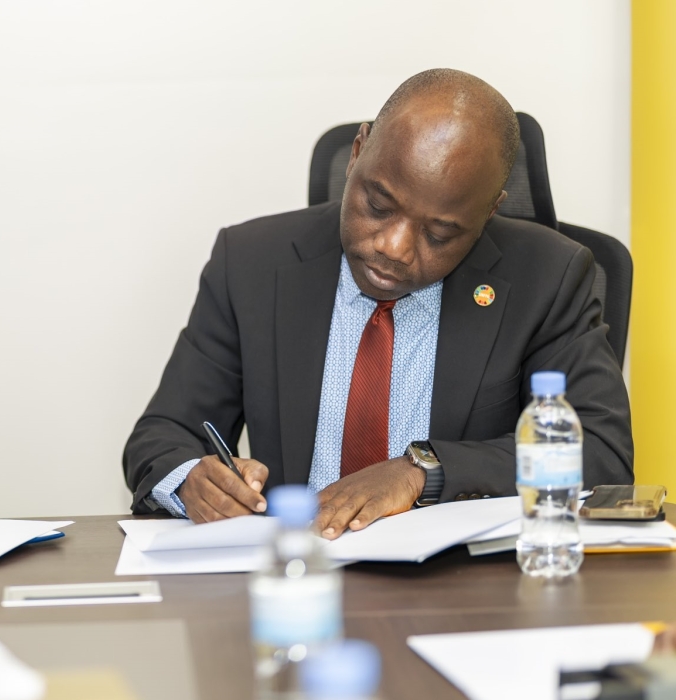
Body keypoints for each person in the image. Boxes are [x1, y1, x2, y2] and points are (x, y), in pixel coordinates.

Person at [123, 68, 632, 538]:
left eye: (440, 233)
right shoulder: (252, 262)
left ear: (489, 212)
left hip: (459, 583)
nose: (394, 247)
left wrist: (421, 471)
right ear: (358, 151)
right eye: (379, 206)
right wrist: (193, 480)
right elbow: (165, 432)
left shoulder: (548, 276)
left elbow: (600, 451)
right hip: (299, 566)